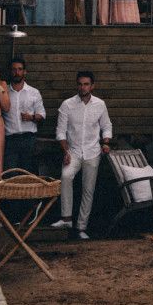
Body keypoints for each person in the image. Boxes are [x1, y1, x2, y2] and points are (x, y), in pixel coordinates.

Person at [53, 71, 113, 240]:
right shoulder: (67, 105)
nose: (83, 87)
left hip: (93, 152)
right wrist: (65, 151)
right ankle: (66, 219)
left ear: (92, 86)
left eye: (86, 84)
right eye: (80, 84)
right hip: (73, 151)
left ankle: (81, 227)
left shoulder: (100, 104)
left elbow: (106, 126)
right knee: (66, 176)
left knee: (88, 189)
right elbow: (60, 131)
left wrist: (106, 142)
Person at [1, 55, 44, 175]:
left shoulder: (34, 92)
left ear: (25, 72)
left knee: (29, 176)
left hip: (28, 139)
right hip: (10, 140)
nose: (17, 72)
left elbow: (42, 115)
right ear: (10, 71)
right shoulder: (4, 92)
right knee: (10, 176)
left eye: (20, 69)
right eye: (14, 69)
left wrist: (31, 117)